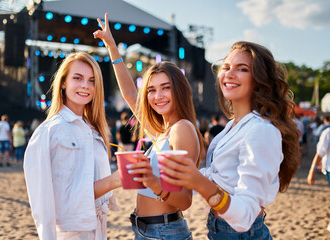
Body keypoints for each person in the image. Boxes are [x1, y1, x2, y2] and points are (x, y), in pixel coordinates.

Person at [158, 41, 300, 239]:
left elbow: (245, 218)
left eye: (242, 69)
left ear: (259, 79)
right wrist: (183, 175)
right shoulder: (232, 126)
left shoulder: (260, 130)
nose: (230, 74)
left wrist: (199, 182)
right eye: (226, 67)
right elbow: (222, 176)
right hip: (220, 228)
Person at [94, 13, 204, 239]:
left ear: (179, 90)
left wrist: (153, 183)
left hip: (165, 232)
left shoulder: (182, 129)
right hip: (145, 230)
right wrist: (113, 48)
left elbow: (185, 200)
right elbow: (129, 94)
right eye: (152, 90)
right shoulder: (163, 132)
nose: (158, 96)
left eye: (165, 88)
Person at [23, 52, 121, 240]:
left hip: (98, 229)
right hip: (69, 233)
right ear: (63, 82)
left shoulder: (94, 130)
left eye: (92, 81)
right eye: (78, 78)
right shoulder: (50, 131)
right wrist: (115, 181)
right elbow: (42, 200)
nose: (86, 85)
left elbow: (85, 186)